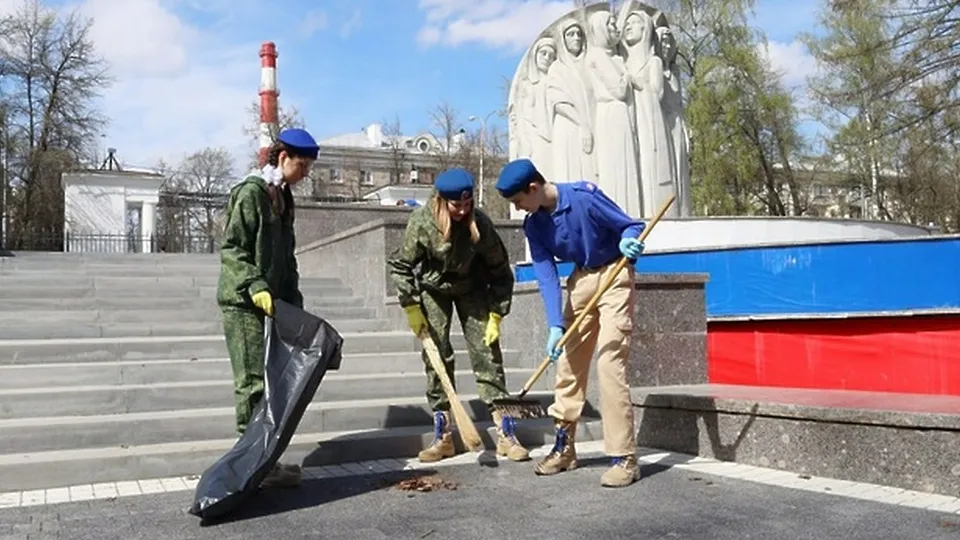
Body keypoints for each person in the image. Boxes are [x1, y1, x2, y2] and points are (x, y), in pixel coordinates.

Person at [494, 158, 646, 488]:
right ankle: (564, 448)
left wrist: (628, 242)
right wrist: (554, 325)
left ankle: (624, 457)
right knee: (568, 364)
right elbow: (546, 274)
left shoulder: (584, 197)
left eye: (518, 201)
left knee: (609, 362)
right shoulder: (534, 225)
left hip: (614, 274)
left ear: (533, 188)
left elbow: (631, 225)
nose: (518, 209)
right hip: (580, 281)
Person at [387, 168, 531, 464]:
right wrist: (411, 305)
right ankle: (443, 437)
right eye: (456, 205)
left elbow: (501, 271)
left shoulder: (481, 224)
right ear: (442, 201)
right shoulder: (422, 222)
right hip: (433, 290)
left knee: (488, 355)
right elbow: (400, 265)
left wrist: (496, 313)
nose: (463, 211)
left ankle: (506, 434)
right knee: (437, 357)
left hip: (473, 287)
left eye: (468, 204)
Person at [216, 128, 319, 488]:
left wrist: (295, 306)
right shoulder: (251, 193)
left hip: (270, 300)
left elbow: (287, 259)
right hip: (242, 300)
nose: (305, 174)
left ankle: (263, 461)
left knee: (272, 382)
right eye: (302, 166)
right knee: (251, 383)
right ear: (283, 158)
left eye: (308, 168)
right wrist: (255, 285)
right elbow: (233, 249)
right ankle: (250, 466)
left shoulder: (283, 197)